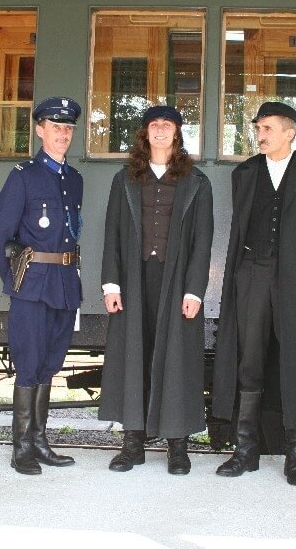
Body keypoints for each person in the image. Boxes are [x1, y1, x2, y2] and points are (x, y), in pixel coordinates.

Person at [213, 101, 296, 486]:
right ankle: (245, 450)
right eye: (258, 129)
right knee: (249, 360)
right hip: (252, 273)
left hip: (295, 277)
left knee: (295, 359)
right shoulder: (245, 172)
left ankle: (295, 456)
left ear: (289, 132)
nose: (260, 135)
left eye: (267, 128)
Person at [98, 105, 213, 476]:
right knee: (133, 355)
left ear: (176, 133)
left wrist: (194, 291)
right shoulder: (125, 180)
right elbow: (113, 232)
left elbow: (202, 241)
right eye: (154, 125)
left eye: (167, 125)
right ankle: (133, 444)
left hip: (176, 281)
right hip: (134, 278)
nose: (160, 130)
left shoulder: (196, 182)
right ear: (145, 133)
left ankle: (178, 447)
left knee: (177, 359)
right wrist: (111, 283)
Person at [0, 96, 84, 475]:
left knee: (50, 364)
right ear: (40, 130)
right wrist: (16, 280)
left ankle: (41, 441)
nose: (63, 134)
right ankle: (22, 448)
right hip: (32, 286)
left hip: (65, 283)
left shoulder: (74, 180)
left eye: (68, 128)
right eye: (56, 127)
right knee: (28, 365)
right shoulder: (23, 176)